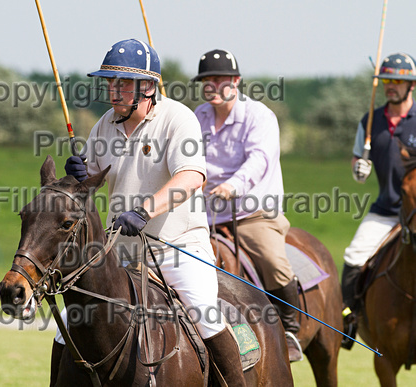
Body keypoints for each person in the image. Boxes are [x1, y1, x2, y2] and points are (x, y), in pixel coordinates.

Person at [60, 39, 247, 386]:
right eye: (110, 83)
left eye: (122, 84)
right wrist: (77, 175)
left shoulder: (178, 119)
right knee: (68, 328)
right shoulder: (105, 124)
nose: (113, 91)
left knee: (205, 314)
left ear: (147, 87)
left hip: (178, 248)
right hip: (121, 254)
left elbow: (191, 177)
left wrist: (144, 211)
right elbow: (92, 178)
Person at [191, 49, 303, 362]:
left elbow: (260, 159)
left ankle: (291, 327)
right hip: (206, 212)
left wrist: (232, 186)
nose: (212, 85)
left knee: (271, 258)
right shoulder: (197, 117)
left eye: (219, 79)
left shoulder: (260, 116)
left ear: (236, 81)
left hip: (254, 213)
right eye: (206, 80)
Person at [340, 52, 416, 349]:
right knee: (353, 258)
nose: (391, 85)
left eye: (398, 80)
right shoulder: (370, 121)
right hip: (386, 210)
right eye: (387, 80)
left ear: (411, 85)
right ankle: (350, 320)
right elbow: (359, 157)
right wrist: (359, 168)